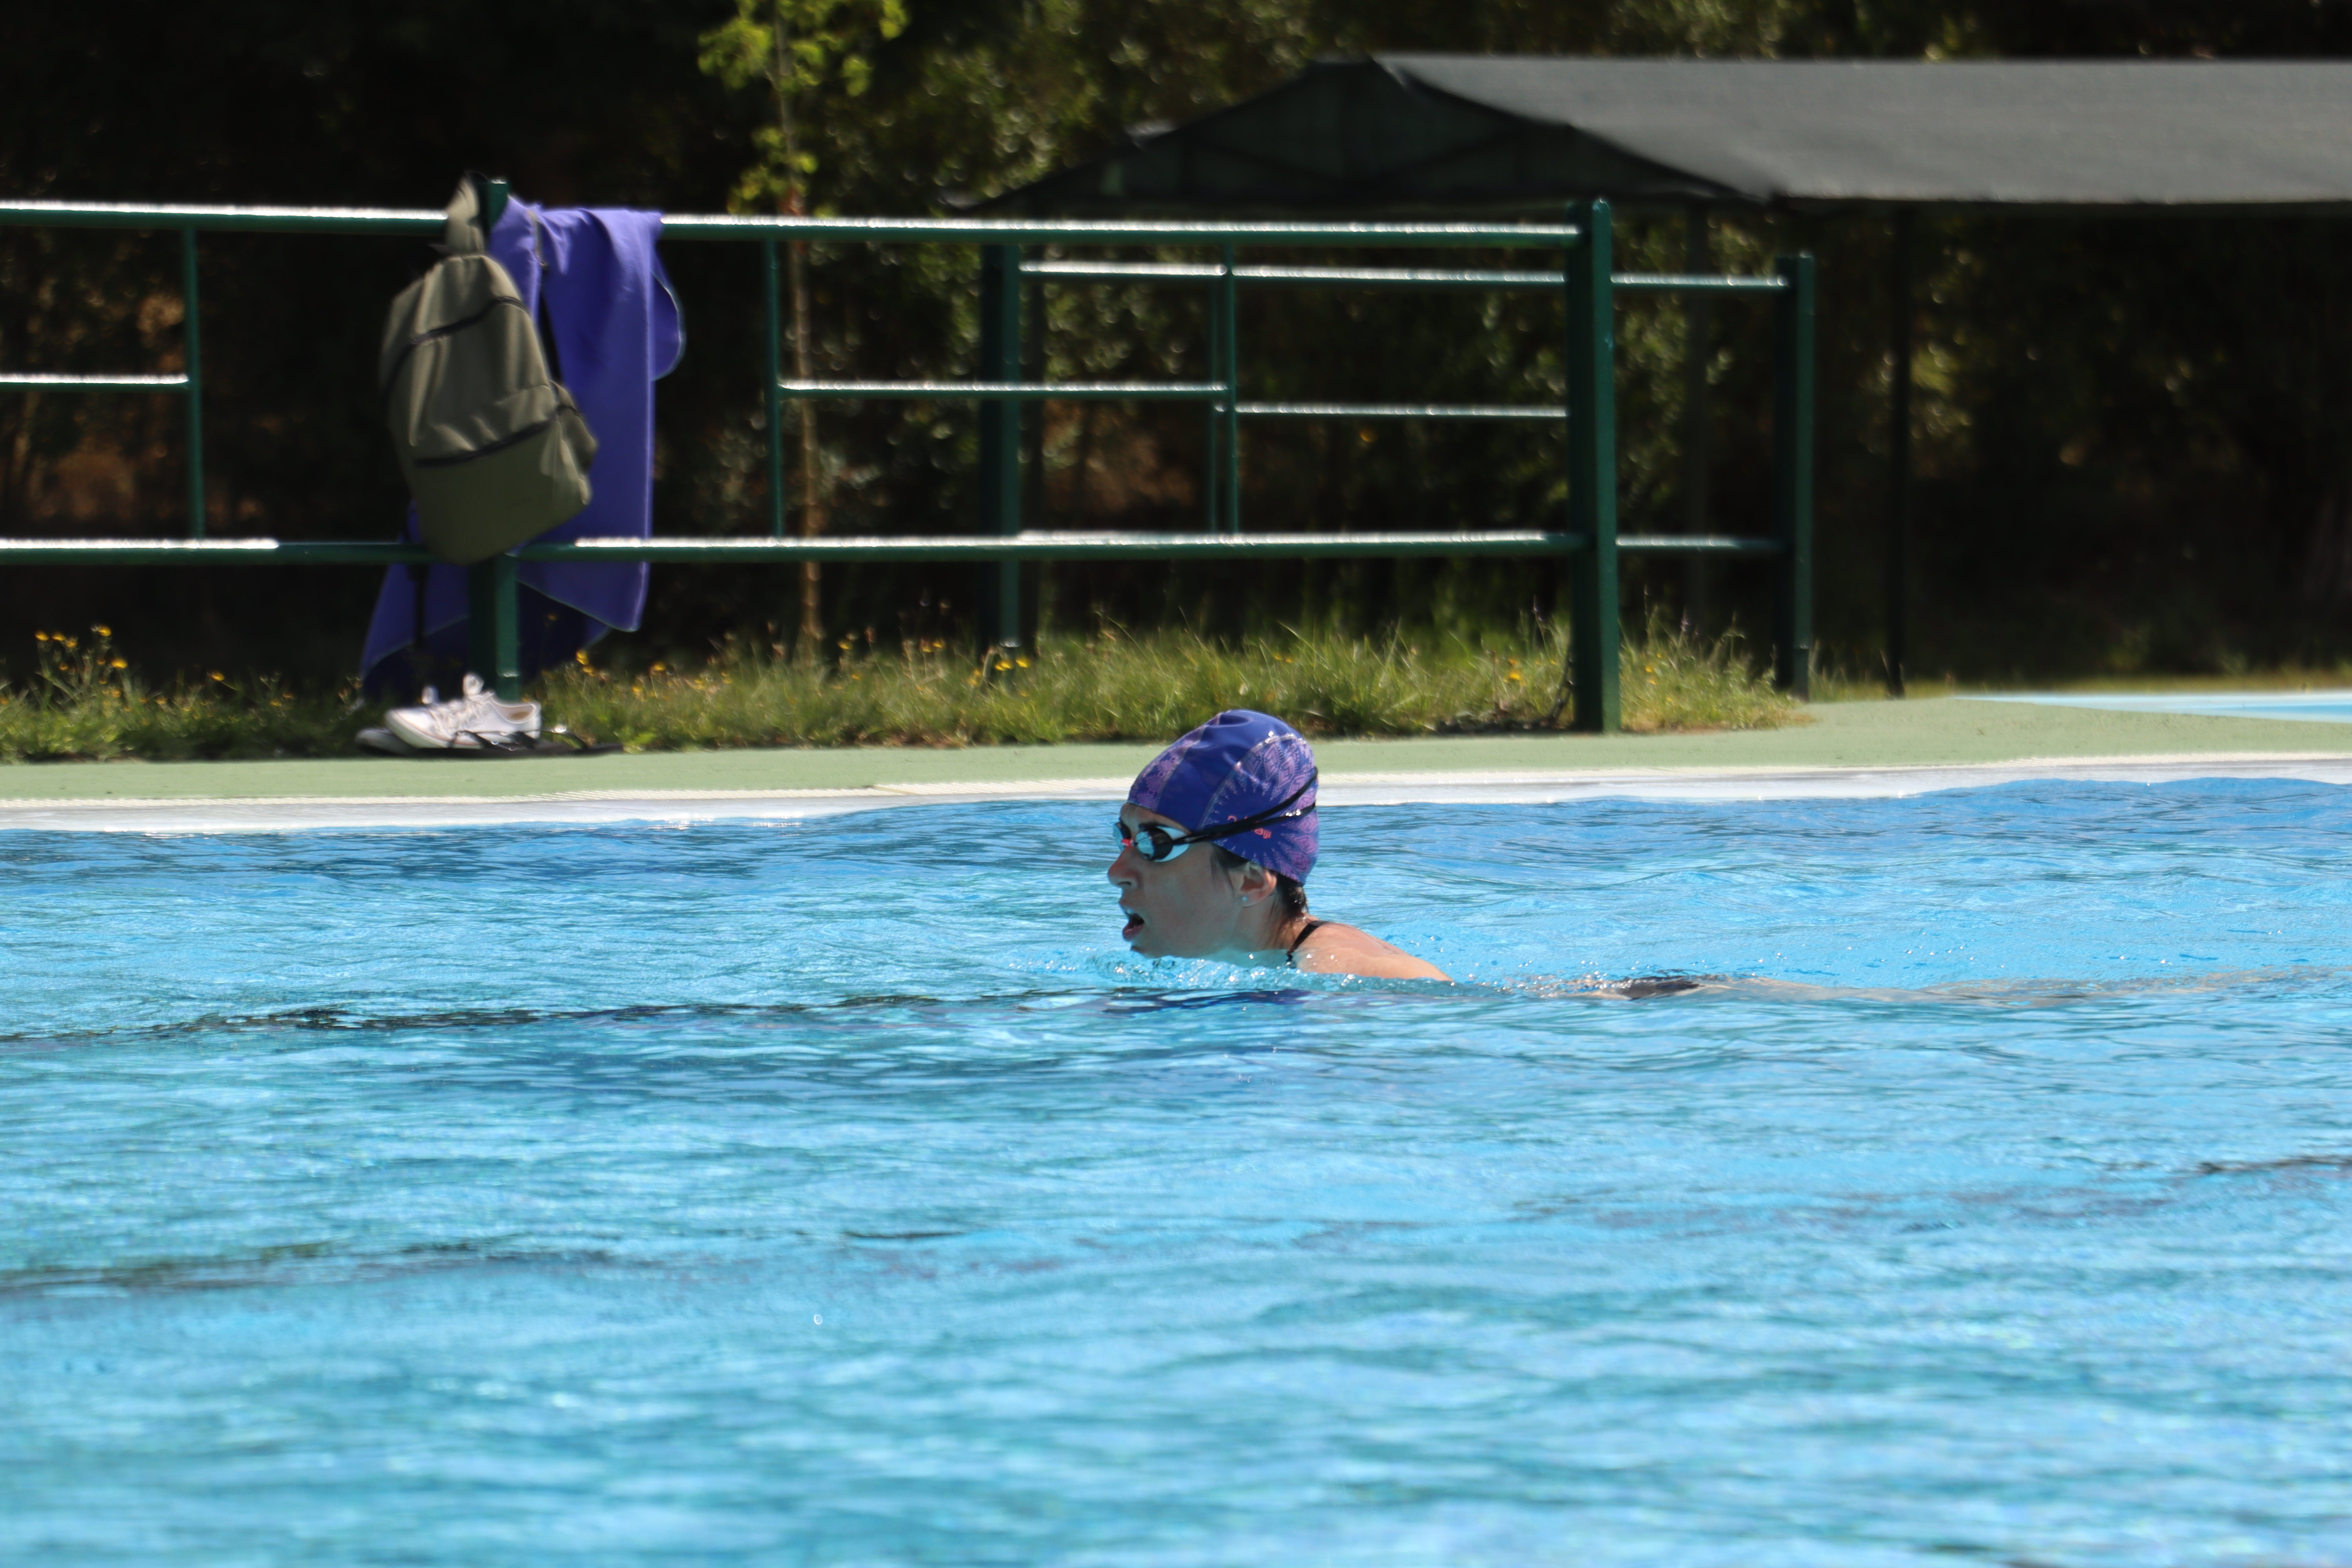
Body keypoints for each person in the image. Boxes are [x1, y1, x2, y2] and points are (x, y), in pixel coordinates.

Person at [1110, 710, 1449, 980]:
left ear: (1252, 880)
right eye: (1124, 836)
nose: (1116, 872)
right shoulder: (1234, 962)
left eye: (1156, 844)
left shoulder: (1348, 980)